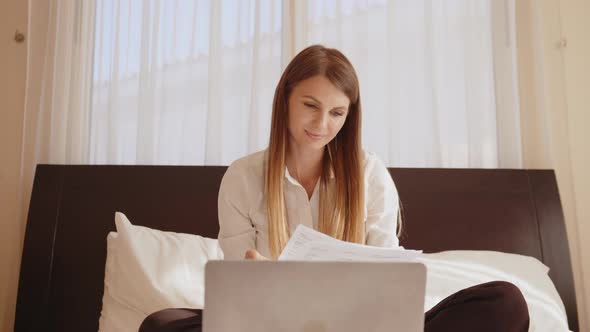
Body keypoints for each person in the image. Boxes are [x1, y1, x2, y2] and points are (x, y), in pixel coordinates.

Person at [139, 45, 530, 332]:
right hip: (273, 323)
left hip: (362, 324)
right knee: (160, 324)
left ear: (349, 115)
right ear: (285, 101)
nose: (322, 123)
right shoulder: (242, 177)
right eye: (310, 105)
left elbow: (390, 280)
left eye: (337, 112)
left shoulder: (369, 173)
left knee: (503, 301)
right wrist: (258, 279)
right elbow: (238, 290)